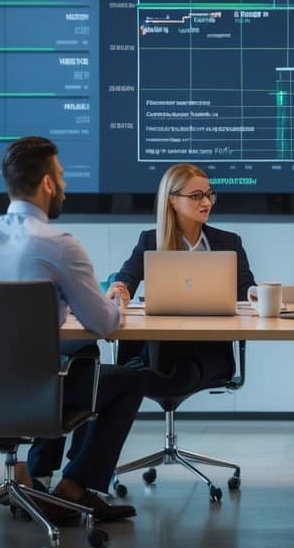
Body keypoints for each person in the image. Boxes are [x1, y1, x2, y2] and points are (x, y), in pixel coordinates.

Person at [0, 136, 144, 523]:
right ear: (46, 184)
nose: (65, 185)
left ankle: (42, 479)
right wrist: (118, 301)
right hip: (36, 392)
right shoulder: (58, 245)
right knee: (130, 379)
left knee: (80, 359)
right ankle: (74, 488)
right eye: (61, 176)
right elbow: (104, 325)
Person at [106, 163, 255, 395]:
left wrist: (257, 295)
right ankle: (133, 378)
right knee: (174, 370)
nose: (207, 203)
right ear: (172, 201)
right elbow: (126, 279)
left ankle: (129, 380)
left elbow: (246, 290)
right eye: (196, 196)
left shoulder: (229, 243)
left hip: (210, 351)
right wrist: (119, 290)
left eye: (209, 195)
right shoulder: (150, 241)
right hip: (161, 349)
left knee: (182, 372)